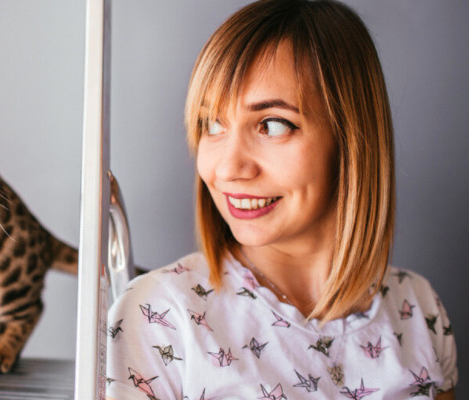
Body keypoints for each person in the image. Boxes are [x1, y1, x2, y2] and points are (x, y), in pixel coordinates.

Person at [105, 0, 458, 399]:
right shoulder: (162, 316)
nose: (228, 168)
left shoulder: (418, 309)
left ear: (351, 140)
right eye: (212, 124)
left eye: (272, 125)